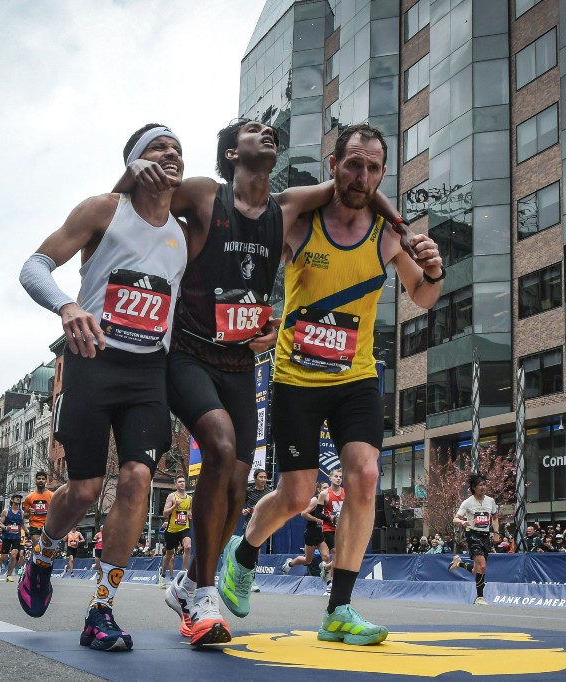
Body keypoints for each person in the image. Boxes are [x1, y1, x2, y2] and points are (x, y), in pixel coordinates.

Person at [114, 118, 400, 648]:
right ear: (229, 155)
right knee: (221, 450)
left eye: (269, 129)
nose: (264, 130)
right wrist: (132, 174)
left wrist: (391, 212)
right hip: (188, 354)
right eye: (250, 129)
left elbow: (354, 188)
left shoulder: (285, 206)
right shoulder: (204, 193)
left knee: (237, 481)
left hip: (241, 364)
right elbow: (134, 211)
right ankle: (201, 596)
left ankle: (200, 577)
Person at [217, 123, 445, 647]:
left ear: (384, 174)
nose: (362, 175)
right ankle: (244, 553)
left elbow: (424, 296)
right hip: (296, 377)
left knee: (365, 473)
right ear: (333, 165)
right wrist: (255, 320)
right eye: (353, 164)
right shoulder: (302, 223)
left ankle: (340, 608)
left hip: (357, 377)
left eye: (373, 167)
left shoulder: (389, 235)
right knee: (297, 495)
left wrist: (433, 271)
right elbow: (255, 272)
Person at [16, 124, 187, 653]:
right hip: (93, 361)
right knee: (87, 489)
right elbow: (34, 265)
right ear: (134, 162)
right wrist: (67, 305)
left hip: (147, 373)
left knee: (138, 478)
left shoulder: (183, 233)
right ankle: (42, 555)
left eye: (178, 149)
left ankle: (101, 610)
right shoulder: (102, 210)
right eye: (159, 147)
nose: (171, 155)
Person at [448, 474, 500, 605]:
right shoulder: (467, 502)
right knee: (482, 566)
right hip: (472, 535)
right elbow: (455, 519)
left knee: (477, 570)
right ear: (473, 487)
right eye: (480, 485)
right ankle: (480, 598)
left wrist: (496, 533)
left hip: (485, 535)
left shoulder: (491, 501)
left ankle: (458, 563)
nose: (483, 487)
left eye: (484, 484)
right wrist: (462, 522)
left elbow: (494, 518)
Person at [280, 480, 330, 576]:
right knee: (308, 560)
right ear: (319, 490)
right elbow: (303, 513)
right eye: (324, 488)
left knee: (326, 557)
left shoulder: (328, 501)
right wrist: (317, 520)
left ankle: (328, 583)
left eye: (328, 488)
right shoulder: (315, 500)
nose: (327, 490)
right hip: (311, 533)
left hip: (321, 533)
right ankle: (289, 564)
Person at [160, 475, 192, 589]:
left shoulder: (189, 498)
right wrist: (175, 506)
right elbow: (165, 513)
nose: (182, 483)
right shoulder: (171, 496)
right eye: (180, 482)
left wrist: (190, 514)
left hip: (184, 528)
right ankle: (163, 574)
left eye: (183, 481)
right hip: (172, 530)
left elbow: (190, 512)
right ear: (176, 484)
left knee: (188, 547)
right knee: (169, 555)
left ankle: (183, 574)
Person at [317, 468, 345, 593]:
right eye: (336, 476)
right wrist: (330, 518)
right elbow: (318, 513)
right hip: (328, 528)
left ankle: (326, 567)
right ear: (330, 478)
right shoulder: (324, 494)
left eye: (340, 477)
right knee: (335, 552)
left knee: (342, 556)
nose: (338, 479)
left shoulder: (346, 493)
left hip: (343, 528)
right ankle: (331, 583)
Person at [0, 493, 26, 583]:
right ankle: (0, 557)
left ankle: (9, 575)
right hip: (6, 537)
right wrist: (5, 527)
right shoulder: (6, 511)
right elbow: (0, 523)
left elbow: (22, 524)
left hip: (16, 537)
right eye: (16, 498)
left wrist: (27, 532)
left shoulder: (21, 512)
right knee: (4, 558)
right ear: (12, 500)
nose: (18, 499)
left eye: (19, 498)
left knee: (14, 555)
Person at [23, 471, 54, 548]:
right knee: (37, 548)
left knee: (47, 550)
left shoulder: (52, 495)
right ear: (36, 481)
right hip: (34, 526)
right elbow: (24, 515)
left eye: (43, 479)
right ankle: (34, 559)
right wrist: (29, 513)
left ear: (46, 481)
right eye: (39, 478)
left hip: (48, 526)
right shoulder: (29, 497)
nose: (41, 480)